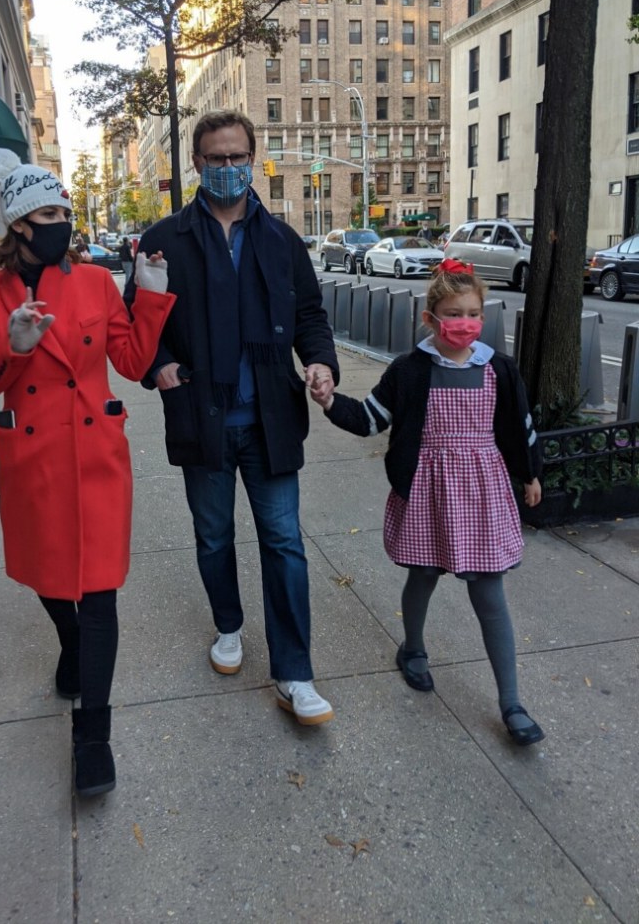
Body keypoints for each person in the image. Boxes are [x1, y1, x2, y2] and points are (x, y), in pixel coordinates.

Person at [0, 148, 175, 796]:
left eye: (65, 212)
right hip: (33, 461)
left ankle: (93, 736)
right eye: (50, 212)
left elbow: (132, 363)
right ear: (20, 223)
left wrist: (153, 298)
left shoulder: (94, 283)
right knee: (52, 579)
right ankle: (69, 640)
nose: (63, 224)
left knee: (101, 587)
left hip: (97, 455)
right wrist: (13, 348)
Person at [124, 109, 339, 725]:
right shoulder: (163, 241)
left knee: (284, 543)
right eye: (215, 159)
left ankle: (295, 672)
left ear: (254, 158)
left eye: (237, 157)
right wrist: (158, 363)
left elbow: (310, 319)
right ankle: (227, 625)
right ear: (196, 163)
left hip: (271, 420)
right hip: (202, 417)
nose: (227, 169)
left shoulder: (281, 241)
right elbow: (136, 317)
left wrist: (321, 363)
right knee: (214, 535)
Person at [310, 259, 546, 746]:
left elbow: (519, 427)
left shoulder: (498, 368)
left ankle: (511, 702)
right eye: (454, 313)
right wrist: (332, 401)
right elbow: (371, 419)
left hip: (481, 493)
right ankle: (413, 649)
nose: (465, 322)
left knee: (489, 590)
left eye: (474, 313)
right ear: (431, 318)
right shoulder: (410, 371)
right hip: (427, 490)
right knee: (423, 573)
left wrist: (530, 473)